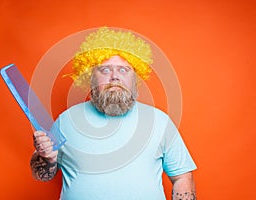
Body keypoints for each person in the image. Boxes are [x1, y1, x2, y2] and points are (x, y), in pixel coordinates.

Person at [30, 27, 197, 199]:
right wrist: (46, 158)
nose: (115, 77)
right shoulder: (66, 120)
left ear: (135, 78)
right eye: (105, 70)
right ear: (90, 77)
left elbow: (182, 177)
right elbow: (42, 175)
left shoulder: (160, 121)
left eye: (124, 70)